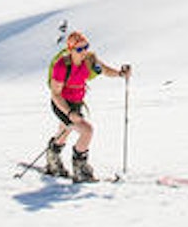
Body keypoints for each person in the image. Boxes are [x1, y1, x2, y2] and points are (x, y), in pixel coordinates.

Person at [44, 30, 130, 182]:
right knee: (87, 131)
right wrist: (69, 113)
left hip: (76, 103)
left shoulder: (89, 60)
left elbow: (104, 70)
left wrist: (120, 74)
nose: (84, 51)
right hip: (62, 104)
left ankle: (53, 158)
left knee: (65, 130)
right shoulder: (61, 66)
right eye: (79, 49)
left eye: (86, 47)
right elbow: (55, 94)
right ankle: (80, 169)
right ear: (71, 50)